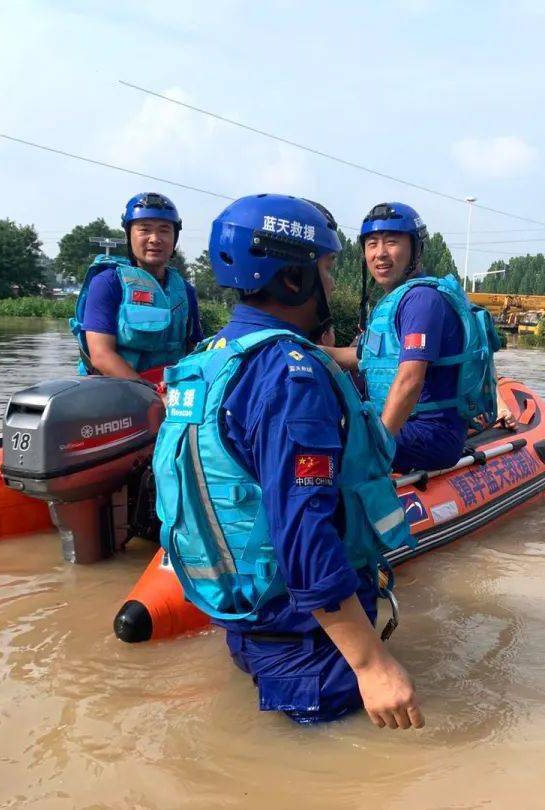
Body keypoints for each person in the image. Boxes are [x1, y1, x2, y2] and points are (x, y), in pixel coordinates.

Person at [153, 194, 423, 729]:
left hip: (247, 615)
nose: (332, 284)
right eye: (326, 269)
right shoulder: (289, 375)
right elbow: (303, 531)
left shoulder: (210, 356)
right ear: (294, 279)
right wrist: (372, 664)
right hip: (309, 640)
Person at [323, 202, 499, 474]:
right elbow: (360, 358)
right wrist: (300, 348)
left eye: (392, 242)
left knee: (320, 444)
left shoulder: (421, 300)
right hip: (406, 427)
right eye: (372, 244)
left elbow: (410, 379)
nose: (380, 254)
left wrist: (376, 446)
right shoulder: (397, 300)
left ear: (416, 249)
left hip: (430, 433)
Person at [69, 192, 203, 384]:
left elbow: (194, 351)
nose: (155, 239)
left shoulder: (185, 291)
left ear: (175, 238)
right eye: (145, 229)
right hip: (115, 393)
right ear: (129, 235)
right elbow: (101, 355)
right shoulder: (108, 283)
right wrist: (152, 394)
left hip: (171, 395)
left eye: (164, 230)